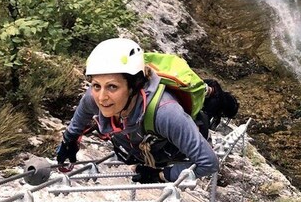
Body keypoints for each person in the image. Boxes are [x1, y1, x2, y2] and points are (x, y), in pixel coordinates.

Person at [55, 38, 218, 183]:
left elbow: (208, 163)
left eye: (112, 86)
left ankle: (213, 95)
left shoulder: (166, 113)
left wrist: (161, 175)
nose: (101, 97)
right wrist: (68, 142)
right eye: (97, 85)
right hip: (136, 147)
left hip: (172, 153)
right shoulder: (93, 97)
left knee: (217, 102)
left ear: (135, 85)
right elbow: (78, 123)